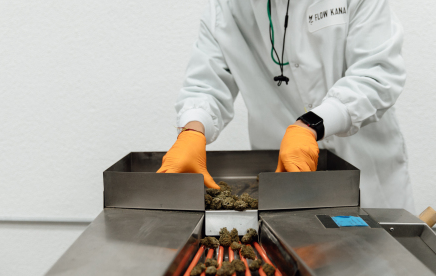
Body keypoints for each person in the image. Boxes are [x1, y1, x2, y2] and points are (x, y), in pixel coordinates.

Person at [157, 0, 415, 213]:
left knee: (374, 265)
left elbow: (376, 76)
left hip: (368, 176)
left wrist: (311, 125)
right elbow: (206, 84)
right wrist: (192, 130)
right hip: (284, 180)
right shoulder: (226, 8)